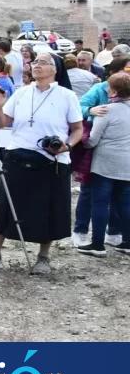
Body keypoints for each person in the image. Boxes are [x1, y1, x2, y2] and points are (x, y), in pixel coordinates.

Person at [0, 53, 82, 275]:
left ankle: (43, 257)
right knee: (5, 208)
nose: (37, 66)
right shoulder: (21, 93)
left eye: (43, 62)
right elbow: (3, 125)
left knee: (48, 209)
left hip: (51, 160)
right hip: (18, 156)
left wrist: (66, 146)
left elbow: (78, 129)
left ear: (55, 69)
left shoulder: (67, 96)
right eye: (35, 62)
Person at [81, 72, 130, 255]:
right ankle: (127, 241)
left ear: (114, 90)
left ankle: (97, 244)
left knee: (100, 203)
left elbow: (92, 141)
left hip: (105, 164)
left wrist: (82, 140)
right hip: (127, 164)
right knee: (126, 203)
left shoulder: (106, 110)